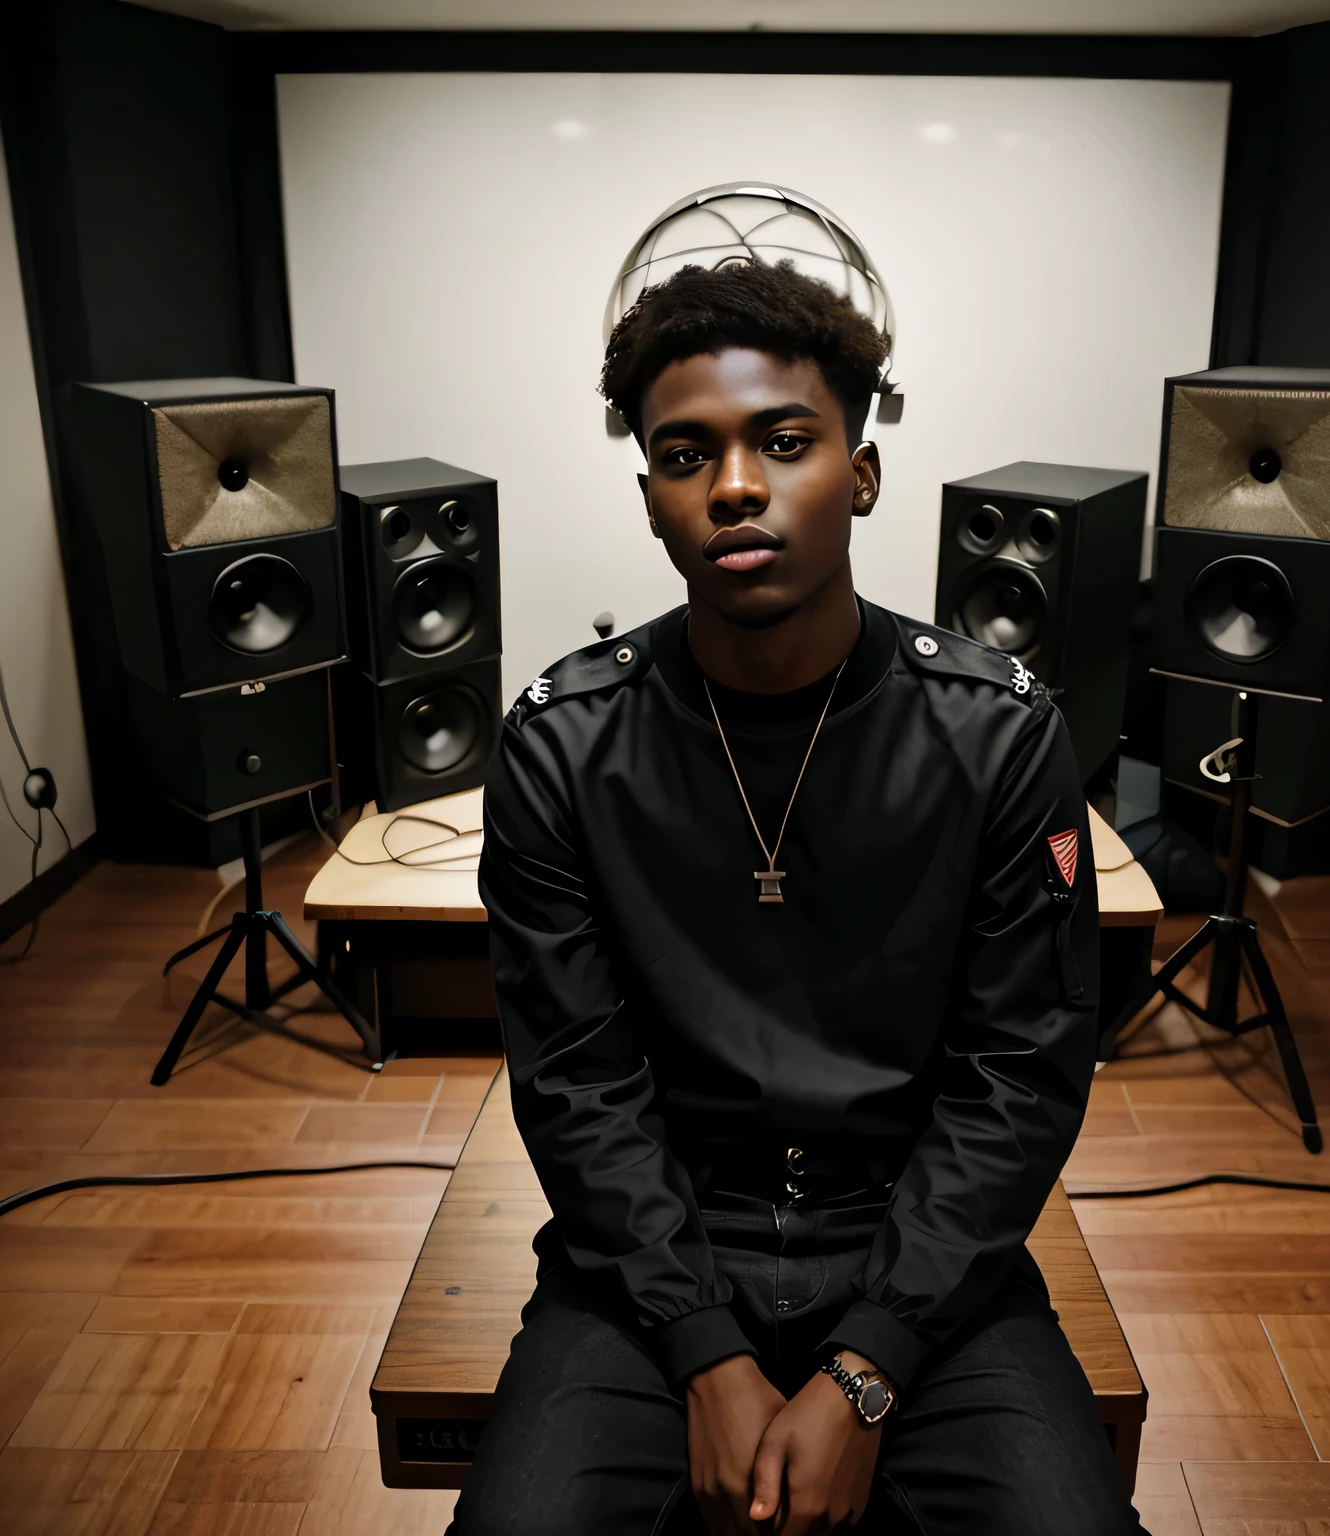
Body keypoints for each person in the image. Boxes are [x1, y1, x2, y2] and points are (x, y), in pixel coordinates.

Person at [449, 260, 1144, 1535]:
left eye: (783, 440)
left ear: (862, 474)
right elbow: (575, 1083)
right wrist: (703, 1349)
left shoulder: (995, 732)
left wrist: (868, 1368)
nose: (735, 486)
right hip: (658, 1248)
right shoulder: (561, 741)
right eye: (684, 454)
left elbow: (1020, 1074)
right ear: (651, 499)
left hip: (916, 1243)